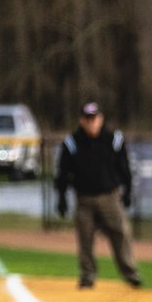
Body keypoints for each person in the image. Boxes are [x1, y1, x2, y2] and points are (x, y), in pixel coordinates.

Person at [54, 101, 142, 289]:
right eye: (87, 119)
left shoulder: (113, 139)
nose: (91, 123)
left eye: (94, 119)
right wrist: (61, 197)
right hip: (84, 198)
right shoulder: (72, 142)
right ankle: (87, 275)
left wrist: (127, 191)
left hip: (109, 196)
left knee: (121, 233)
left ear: (100, 119)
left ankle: (130, 273)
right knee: (85, 237)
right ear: (81, 121)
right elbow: (62, 172)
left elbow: (124, 168)